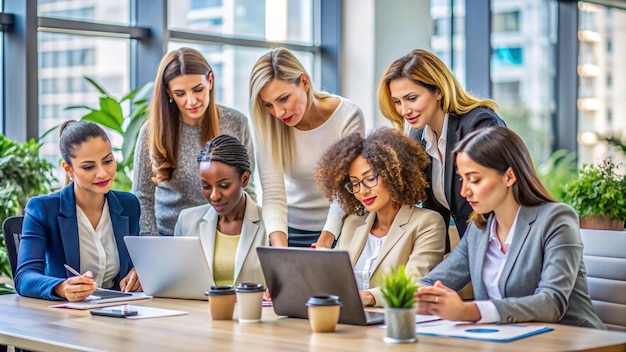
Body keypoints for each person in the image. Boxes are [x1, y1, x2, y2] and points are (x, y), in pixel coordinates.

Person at [414, 126, 605, 329]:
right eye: (462, 179)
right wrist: (420, 297)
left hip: (576, 341)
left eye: (475, 179)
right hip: (507, 341)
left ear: (509, 176)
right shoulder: (479, 229)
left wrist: (470, 311)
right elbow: (433, 281)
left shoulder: (556, 220)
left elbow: (552, 302)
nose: (464, 191)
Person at [378, 49, 506, 250]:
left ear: (438, 90)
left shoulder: (479, 124)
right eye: (397, 101)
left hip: (502, 246)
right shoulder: (419, 136)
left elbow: (495, 202)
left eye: (412, 98)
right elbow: (433, 211)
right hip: (469, 249)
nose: (404, 110)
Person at [249, 47, 366, 248]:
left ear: (304, 82)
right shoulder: (268, 125)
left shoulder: (348, 116)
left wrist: (325, 240)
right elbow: (273, 193)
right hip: (288, 229)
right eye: (268, 105)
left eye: (283, 98)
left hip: (341, 228)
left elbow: (344, 188)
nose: (278, 112)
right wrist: (280, 249)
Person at [133, 47, 256, 236]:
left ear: (211, 81)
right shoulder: (152, 131)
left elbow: (248, 188)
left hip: (224, 236)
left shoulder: (236, 123)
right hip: (170, 236)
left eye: (198, 89)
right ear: (168, 92)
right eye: (180, 93)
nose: (191, 101)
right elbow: (142, 199)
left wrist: (250, 233)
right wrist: (153, 248)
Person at [316, 128, 446, 307]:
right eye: (355, 184)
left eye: (370, 179)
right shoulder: (353, 224)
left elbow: (415, 284)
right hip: (350, 321)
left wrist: (370, 297)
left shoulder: (428, 223)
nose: (362, 191)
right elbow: (333, 280)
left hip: (394, 322)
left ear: (394, 173)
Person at [15, 120, 141, 301]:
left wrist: (139, 273)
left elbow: (133, 266)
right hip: (64, 317)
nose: (103, 173)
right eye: (89, 167)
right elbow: (24, 278)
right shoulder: (43, 209)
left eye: (107, 161)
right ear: (69, 169)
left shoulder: (129, 205)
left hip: (117, 311)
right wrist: (61, 287)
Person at [174, 135, 267, 287]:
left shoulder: (269, 223)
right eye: (206, 186)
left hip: (252, 309)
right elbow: (177, 280)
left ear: (244, 180)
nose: (214, 196)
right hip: (196, 310)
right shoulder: (187, 221)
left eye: (224, 186)